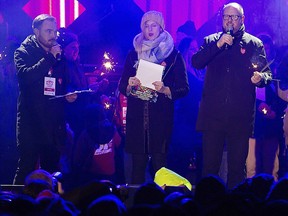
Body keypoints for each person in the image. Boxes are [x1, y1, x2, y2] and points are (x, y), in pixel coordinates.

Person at [192, 2, 272, 189]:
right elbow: (196, 62)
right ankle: (208, 205)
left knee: (237, 169)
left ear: (242, 19)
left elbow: (268, 74)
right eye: (226, 16)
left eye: (233, 17)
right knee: (210, 168)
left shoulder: (253, 44)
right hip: (213, 116)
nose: (229, 20)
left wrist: (261, 78)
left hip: (240, 117)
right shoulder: (212, 40)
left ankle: (236, 206)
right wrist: (218, 45)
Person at [118, 10, 189, 184]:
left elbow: (184, 88)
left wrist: (165, 89)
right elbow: (121, 86)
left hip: (160, 119)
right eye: (146, 26)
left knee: (160, 169)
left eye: (154, 25)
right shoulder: (133, 54)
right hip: (137, 119)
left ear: (161, 28)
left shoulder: (173, 55)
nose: (150, 29)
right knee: (137, 169)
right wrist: (129, 84)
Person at [13, 14, 71, 184]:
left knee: (52, 170)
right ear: (36, 31)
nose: (53, 35)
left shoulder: (59, 55)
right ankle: (16, 206)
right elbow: (26, 78)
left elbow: (61, 84)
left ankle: (50, 208)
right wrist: (49, 58)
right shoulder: (23, 52)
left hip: (52, 124)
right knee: (26, 167)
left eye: (55, 31)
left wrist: (68, 95)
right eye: (48, 31)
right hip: (30, 122)